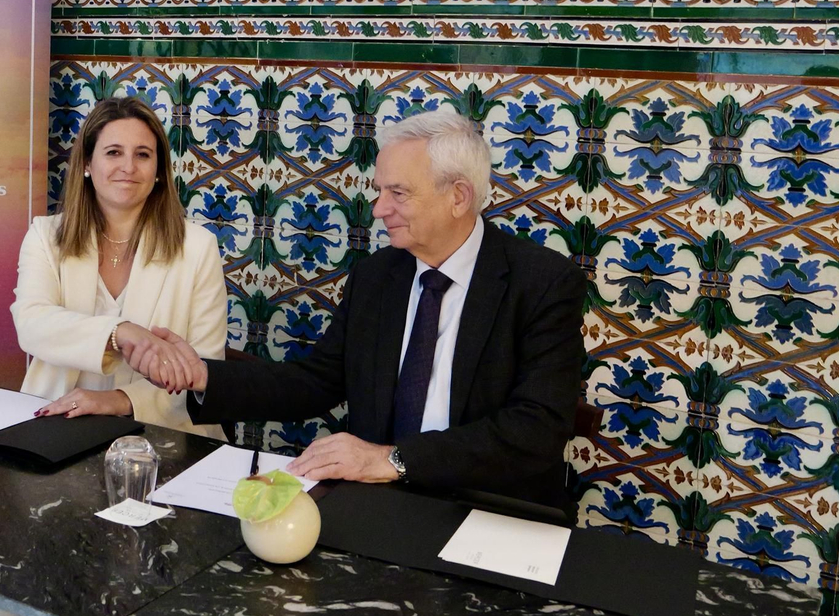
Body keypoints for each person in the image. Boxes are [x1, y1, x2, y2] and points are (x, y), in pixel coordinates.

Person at [128, 108, 587, 509]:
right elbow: (316, 381)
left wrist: (391, 460)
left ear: (459, 197)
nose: (378, 208)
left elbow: (536, 430)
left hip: (491, 510)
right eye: (379, 190)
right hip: (378, 506)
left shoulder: (542, 283)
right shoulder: (377, 276)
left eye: (398, 193)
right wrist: (205, 376)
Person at [11, 95, 227, 440]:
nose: (128, 166)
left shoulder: (198, 247)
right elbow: (32, 323)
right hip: (57, 422)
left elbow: (206, 368)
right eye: (113, 152)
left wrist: (119, 400)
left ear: (159, 172)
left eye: (143, 155)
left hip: (163, 433)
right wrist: (120, 332)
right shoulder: (44, 236)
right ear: (86, 163)